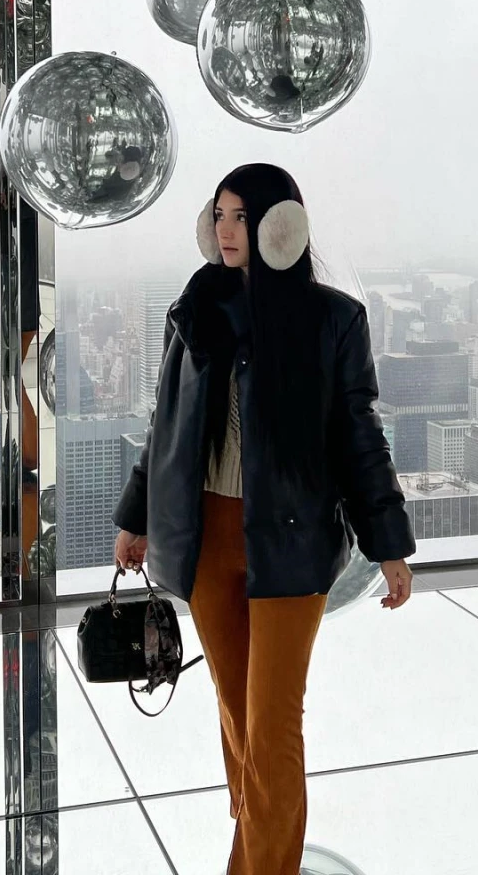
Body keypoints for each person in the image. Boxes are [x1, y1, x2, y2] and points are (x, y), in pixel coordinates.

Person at [112, 162, 415, 875]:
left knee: (272, 726)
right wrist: (137, 516)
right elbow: (166, 428)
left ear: (282, 226)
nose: (225, 230)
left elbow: (360, 438)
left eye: (242, 217)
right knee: (239, 720)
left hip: (291, 544)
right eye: (218, 215)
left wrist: (388, 546)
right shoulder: (197, 310)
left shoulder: (334, 320)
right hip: (206, 539)